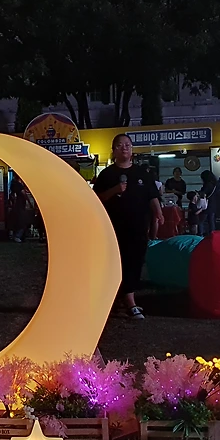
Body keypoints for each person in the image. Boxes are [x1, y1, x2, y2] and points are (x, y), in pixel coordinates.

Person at [93, 133, 162, 321]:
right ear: (114, 150)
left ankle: (126, 298)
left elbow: (152, 196)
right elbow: (96, 199)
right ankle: (126, 301)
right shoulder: (107, 175)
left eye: (128, 145)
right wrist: (115, 190)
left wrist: (158, 213)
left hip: (138, 227)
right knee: (117, 263)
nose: (124, 148)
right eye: (120, 145)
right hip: (114, 228)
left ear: (132, 150)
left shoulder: (143, 173)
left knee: (135, 262)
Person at [9, 178, 34, 242]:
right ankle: (18, 236)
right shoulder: (19, 186)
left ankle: (14, 234)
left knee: (16, 221)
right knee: (23, 222)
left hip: (16, 207)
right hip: (20, 206)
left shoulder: (13, 186)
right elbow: (24, 194)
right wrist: (30, 203)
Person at [197, 170, 218, 236]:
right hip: (213, 204)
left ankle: (201, 234)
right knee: (211, 221)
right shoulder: (214, 184)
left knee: (201, 221)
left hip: (206, 205)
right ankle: (213, 235)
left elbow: (204, 193)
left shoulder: (207, 185)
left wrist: (199, 193)